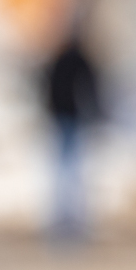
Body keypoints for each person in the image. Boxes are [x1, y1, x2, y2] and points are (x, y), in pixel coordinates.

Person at [42, 29, 104, 242]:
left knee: (66, 171)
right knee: (71, 172)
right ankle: (69, 221)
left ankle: (66, 220)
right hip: (70, 119)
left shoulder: (59, 59)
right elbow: (91, 89)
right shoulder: (77, 60)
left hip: (65, 119)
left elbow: (48, 88)